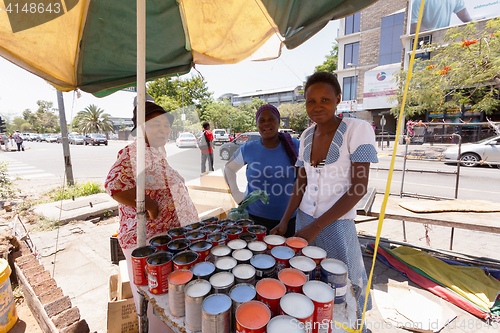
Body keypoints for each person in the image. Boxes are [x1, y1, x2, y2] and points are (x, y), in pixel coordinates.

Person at [271, 72, 378, 326]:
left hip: (337, 225)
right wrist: (286, 220)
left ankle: (353, 327)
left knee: (344, 288)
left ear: (338, 99)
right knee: (310, 283)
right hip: (304, 220)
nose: (317, 107)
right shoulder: (306, 136)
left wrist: (317, 225)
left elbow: (358, 187)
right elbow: (301, 181)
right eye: (311, 101)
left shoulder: (357, 130)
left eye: (325, 100)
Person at [105, 94, 198, 332]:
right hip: (146, 242)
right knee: (155, 302)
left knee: (166, 299)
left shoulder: (157, 153)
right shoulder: (134, 151)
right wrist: (150, 204)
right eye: (156, 124)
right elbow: (115, 186)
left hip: (166, 240)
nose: (164, 129)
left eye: (166, 124)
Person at [224, 104, 299, 237]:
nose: (266, 123)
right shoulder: (247, 149)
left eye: (271, 119)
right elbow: (229, 169)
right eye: (261, 120)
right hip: (254, 221)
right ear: (257, 124)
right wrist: (237, 196)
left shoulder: (295, 146)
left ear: (279, 121)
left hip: (289, 221)